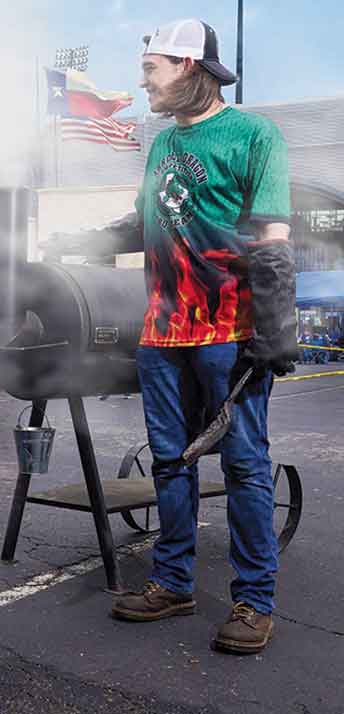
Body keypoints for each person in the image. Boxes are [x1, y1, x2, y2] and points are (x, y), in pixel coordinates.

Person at [106, 19, 296, 655]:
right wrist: (102, 237)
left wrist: (274, 328)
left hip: (229, 330)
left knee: (243, 466)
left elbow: (272, 237)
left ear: (189, 65)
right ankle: (173, 581)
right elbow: (152, 217)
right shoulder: (160, 143)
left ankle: (254, 603)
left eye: (152, 68)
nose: (143, 80)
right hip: (162, 331)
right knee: (169, 461)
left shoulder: (253, 134)